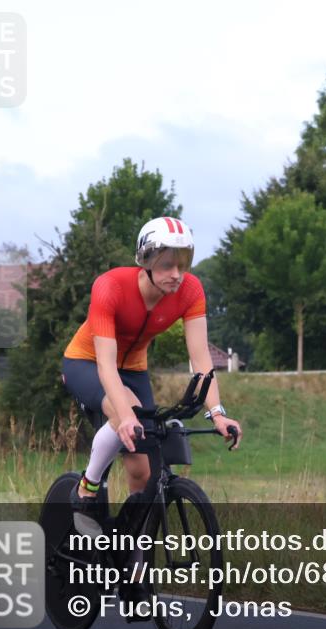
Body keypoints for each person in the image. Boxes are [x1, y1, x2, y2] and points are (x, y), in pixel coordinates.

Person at [61, 216, 242, 533]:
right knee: (125, 411)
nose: (176, 275)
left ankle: (132, 559)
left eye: (182, 264)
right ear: (145, 261)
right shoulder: (111, 287)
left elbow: (200, 358)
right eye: (167, 265)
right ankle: (86, 488)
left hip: (133, 370)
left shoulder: (190, 291)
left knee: (143, 472)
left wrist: (217, 413)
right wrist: (125, 414)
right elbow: (105, 364)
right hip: (86, 363)